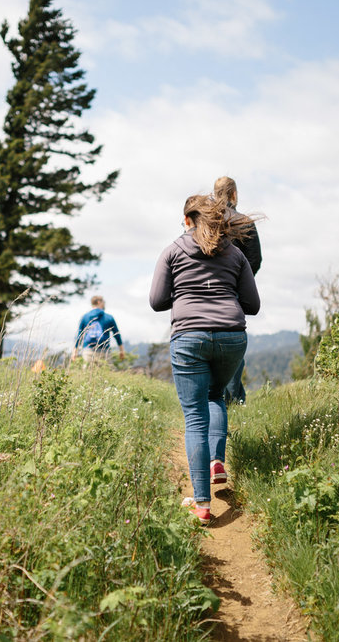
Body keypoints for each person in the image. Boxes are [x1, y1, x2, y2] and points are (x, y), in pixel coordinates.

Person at [149, 194, 260, 524]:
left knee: (194, 417)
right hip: (231, 336)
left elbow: (157, 301)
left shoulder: (172, 251)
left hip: (189, 338)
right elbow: (252, 305)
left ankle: (202, 505)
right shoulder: (235, 253)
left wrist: (185, 292)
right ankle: (217, 462)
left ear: (186, 220)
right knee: (216, 396)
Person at [214, 176, 262, 406]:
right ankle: (232, 403)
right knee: (232, 350)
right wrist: (239, 282)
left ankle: (212, 402)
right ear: (234, 194)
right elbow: (255, 260)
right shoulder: (244, 222)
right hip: (232, 294)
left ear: (215, 195)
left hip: (203, 292)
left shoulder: (206, 223)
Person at [72, 295, 125, 364]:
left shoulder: (85, 317)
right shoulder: (109, 317)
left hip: (88, 350)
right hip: (104, 350)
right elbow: (117, 335)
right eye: (104, 302)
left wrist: (74, 352)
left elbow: (79, 335)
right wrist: (121, 350)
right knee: (105, 372)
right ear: (99, 302)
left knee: (88, 373)